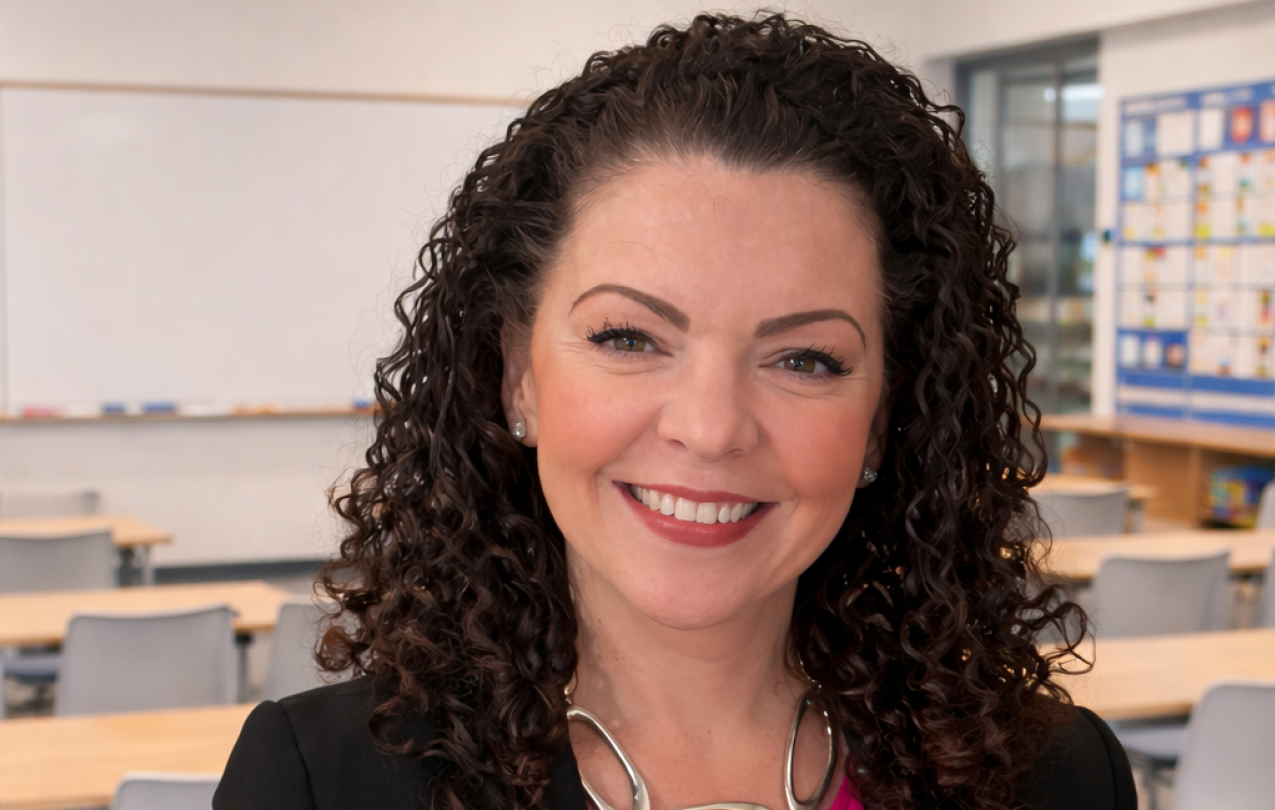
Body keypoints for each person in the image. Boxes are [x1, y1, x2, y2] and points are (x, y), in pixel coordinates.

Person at [215, 13, 1134, 810]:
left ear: (883, 419)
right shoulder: (322, 784)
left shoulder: (1054, 779)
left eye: (804, 359)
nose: (709, 426)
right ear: (517, 378)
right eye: (628, 338)